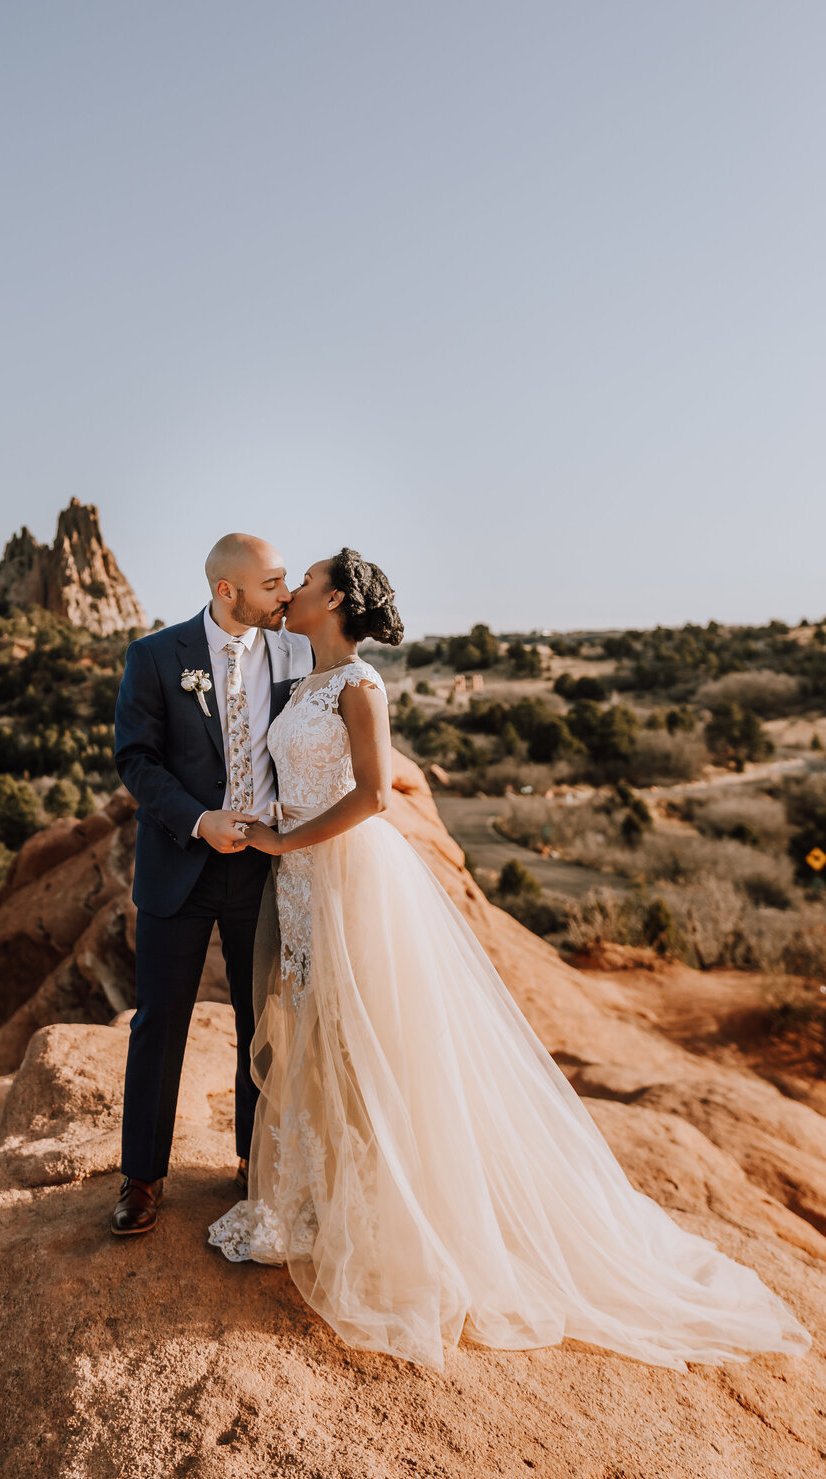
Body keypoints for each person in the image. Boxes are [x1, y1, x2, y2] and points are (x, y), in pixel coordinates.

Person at [207, 550, 813, 1374]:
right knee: (315, 1027)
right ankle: (313, 1200)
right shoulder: (303, 681)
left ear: (335, 598)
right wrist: (260, 825)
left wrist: (285, 839)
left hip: (350, 873)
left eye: (306, 578)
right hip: (303, 880)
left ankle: (390, 1216)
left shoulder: (360, 685)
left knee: (368, 1036)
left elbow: (376, 794)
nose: (294, 588)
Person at [110, 534, 312, 1235]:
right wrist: (199, 821)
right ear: (228, 591)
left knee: (264, 1023)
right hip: (178, 866)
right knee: (159, 1022)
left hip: (263, 870)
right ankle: (141, 1177)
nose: (284, 596)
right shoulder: (155, 656)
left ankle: (252, 1165)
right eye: (272, 584)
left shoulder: (296, 655)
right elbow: (134, 760)